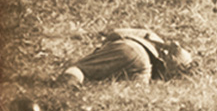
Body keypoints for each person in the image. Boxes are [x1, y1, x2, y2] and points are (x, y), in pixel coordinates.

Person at [58, 28, 194, 86]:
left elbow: (115, 34)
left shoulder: (150, 35)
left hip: (129, 48)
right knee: (116, 85)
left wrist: (103, 48)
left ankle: (64, 87)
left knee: (81, 69)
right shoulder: (168, 66)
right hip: (144, 68)